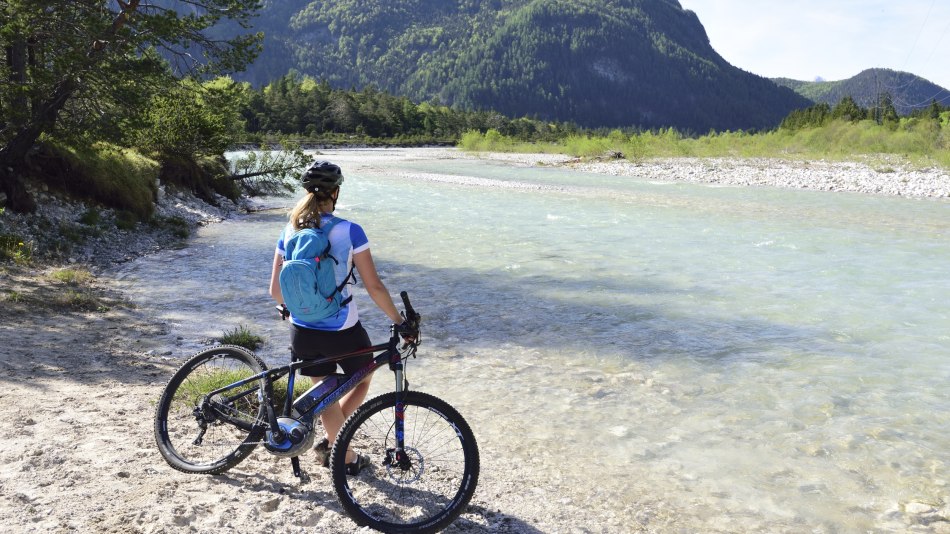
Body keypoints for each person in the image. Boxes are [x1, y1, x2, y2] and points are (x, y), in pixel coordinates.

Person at [268, 160, 404, 474]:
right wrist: (398, 320)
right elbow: (374, 286)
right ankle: (339, 451)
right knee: (365, 375)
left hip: (301, 330)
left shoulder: (289, 230)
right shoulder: (349, 230)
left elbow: (275, 291)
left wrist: (293, 307)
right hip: (342, 328)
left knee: (326, 391)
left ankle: (337, 449)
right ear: (336, 192)